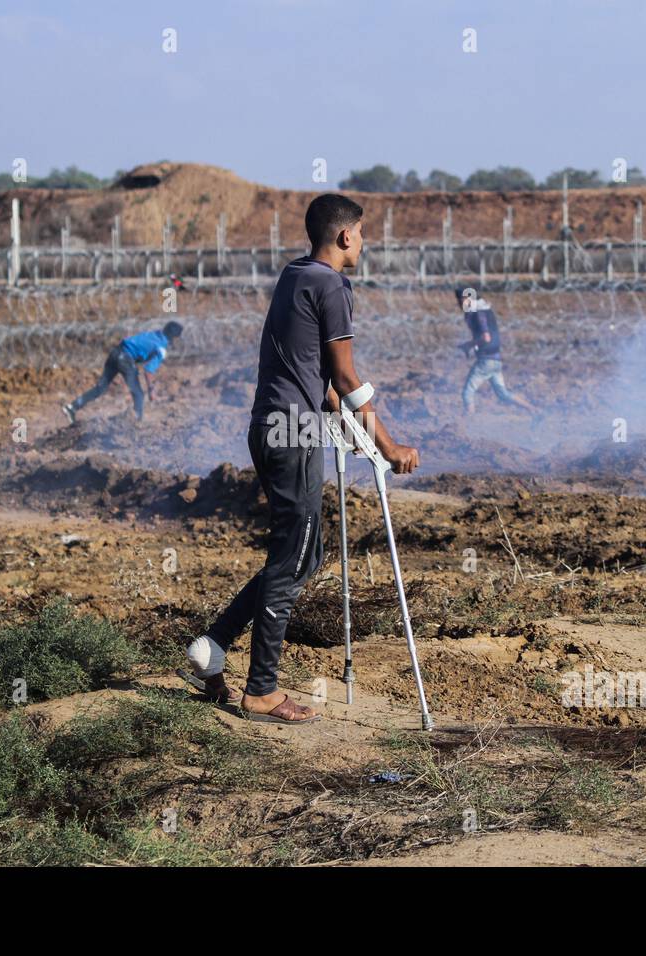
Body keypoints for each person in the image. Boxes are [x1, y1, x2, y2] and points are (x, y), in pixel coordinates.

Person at [180, 194, 419, 724]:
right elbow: (346, 377)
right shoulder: (331, 284)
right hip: (294, 432)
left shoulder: (295, 276)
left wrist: (354, 430)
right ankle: (261, 690)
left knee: (301, 556)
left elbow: (312, 374)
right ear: (345, 236)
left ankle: (212, 648)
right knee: (293, 560)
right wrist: (388, 444)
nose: (364, 241)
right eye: (362, 231)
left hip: (273, 426)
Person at [61, 321, 183, 424]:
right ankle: (137, 424)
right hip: (125, 359)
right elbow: (149, 370)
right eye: (178, 338)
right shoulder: (161, 348)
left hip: (115, 353)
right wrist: (151, 389)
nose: (178, 342)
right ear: (174, 337)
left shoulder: (155, 334)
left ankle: (72, 407)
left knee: (100, 388)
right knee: (139, 394)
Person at [457, 286, 536, 414]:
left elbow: (486, 337)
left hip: (486, 361)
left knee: (467, 393)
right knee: (503, 394)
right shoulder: (484, 310)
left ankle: (466, 428)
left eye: (462, 300)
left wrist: (469, 344)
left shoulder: (478, 313)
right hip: (496, 360)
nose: (460, 304)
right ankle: (534, 410)